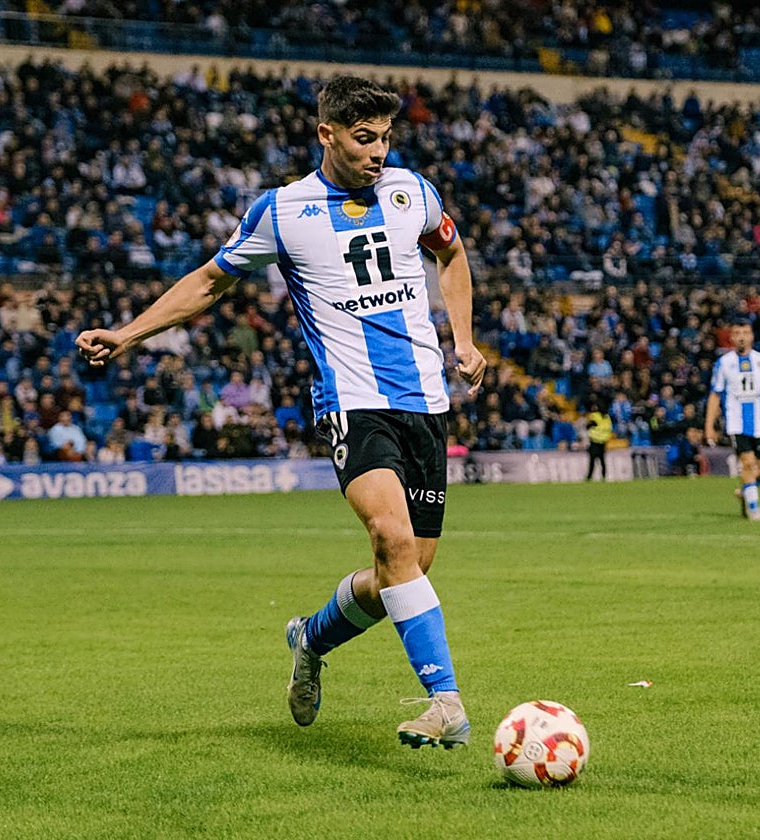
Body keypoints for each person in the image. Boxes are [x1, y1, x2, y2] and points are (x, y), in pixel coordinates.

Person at [74, 76, 485, 750]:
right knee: (391, 540)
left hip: (424, 403)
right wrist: (128, 334)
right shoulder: (284, 210)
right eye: (364, 138)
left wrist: (463, 339)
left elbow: (452, 252)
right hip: (352, 402)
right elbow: (210, 281)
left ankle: (310, 639)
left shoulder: (413, 191)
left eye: (385, 138)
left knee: (406, 569)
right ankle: (445, 701)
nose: (378, 152)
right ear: (327, 134)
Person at [704, 318, 760, 522]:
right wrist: (709, 426)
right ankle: (753, 509)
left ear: (751, 336)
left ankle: (746, 492)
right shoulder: (723, 363)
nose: (741, 337)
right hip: (736, 423)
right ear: (731, 337)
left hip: (759, 423)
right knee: (747, 463)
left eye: (745, 333)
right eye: (737, 333)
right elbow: (715, 395)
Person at [584, 400, 613, 481]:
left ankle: (589, 477)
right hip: (603, 441)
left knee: (592, 461)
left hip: (594, 441)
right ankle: (604, 477)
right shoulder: (607, 417)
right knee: (602, 461)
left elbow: (588, 426)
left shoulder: (594, 416)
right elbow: (609, 428)